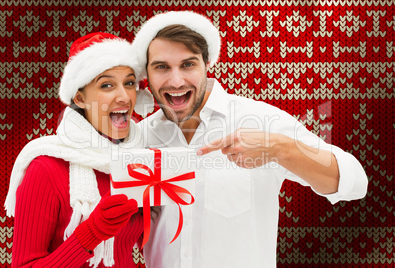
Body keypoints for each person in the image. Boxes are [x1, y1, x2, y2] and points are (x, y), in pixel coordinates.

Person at [133, 11, 369, 267]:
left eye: (188, 64)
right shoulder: (138, 138)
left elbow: (355, 182)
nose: (176, 80)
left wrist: (279, 148)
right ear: (147, 73)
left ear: (207, 64)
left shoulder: (263, 120)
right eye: (162, 67)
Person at [4, 32, 154, 268]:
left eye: (129, 83)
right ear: (80, 98)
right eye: (107, 85)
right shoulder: (45, 168)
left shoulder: (139, 161)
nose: (125, 96)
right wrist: (91, 233)